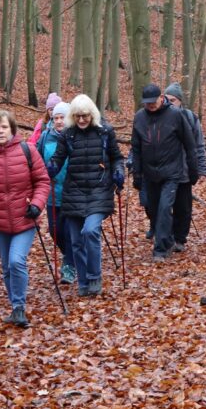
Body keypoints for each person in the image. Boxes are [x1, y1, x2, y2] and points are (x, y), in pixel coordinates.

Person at [47, 95, 126, 296]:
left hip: (99, 190)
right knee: (75, 241)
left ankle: (94, 276)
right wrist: (52, 168)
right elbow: (58, 158)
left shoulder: (104, 132)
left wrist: (118, 172)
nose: (82, 120)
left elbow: (117, 158)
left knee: (90, 231)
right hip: (74, 192)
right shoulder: (68, 135)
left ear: (92, 115)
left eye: (85, 116)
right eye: (78, 116)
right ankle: (83, 282)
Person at [0, 110, 51, 328]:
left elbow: (42, 181)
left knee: (16, 261)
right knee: (6, 266)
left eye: (3, 127)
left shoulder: (27, 150)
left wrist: (37, 204)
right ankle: (15, 307)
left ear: (12, 129)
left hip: (25, 218)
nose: (0, 131)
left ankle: (19, 306)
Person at [130, 84, 199, 263]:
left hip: (172, 172)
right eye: (147, 103)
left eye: (153, 102)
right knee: (153, 210)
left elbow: (190, 145)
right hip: (149, 174)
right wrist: (137, 174)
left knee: (164, 208)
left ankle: (160, 249)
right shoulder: (139, 117)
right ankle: (167, 240)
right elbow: (136, 148)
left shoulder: (176, 115)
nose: (150, 105)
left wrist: (193, 171)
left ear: (161, 98)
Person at [162, 83, 206, 252]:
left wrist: (202, 169)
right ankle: (164, 235)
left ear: (180, 101)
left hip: (184, 170)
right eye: (166, 99)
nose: (169, 103)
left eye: (173, 100)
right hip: (164, 171)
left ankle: (180, 238)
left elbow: (199, 145)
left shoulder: (190, 118)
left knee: (183, 207)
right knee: (162, 206)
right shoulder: (159, 117)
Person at [37, 101, 75, 283]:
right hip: (53, 193)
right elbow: (36, 161)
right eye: (56, 118)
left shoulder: (76, 136)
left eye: (62, 117)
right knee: (54, 231)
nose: (59, 121)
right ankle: (71, 254)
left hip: (73, 193)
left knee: (69, 232)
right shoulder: (46, 136)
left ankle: (69, 265)